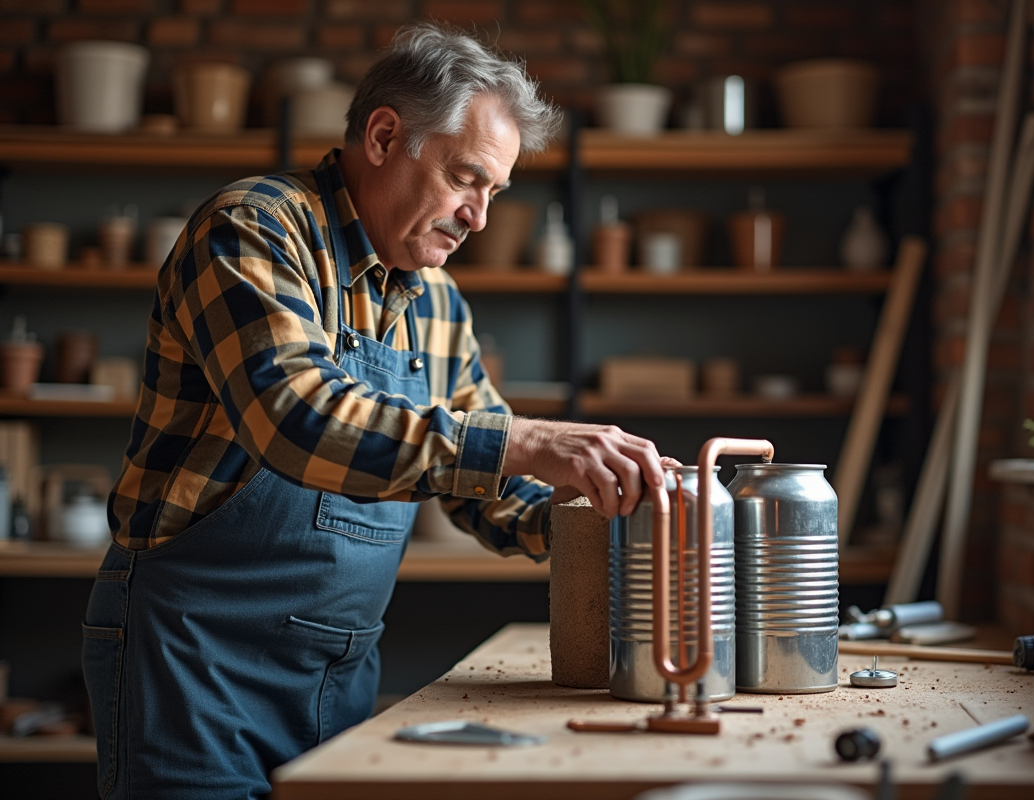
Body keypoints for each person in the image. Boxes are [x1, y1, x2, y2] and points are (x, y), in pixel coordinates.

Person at [81, 24, 667, 800]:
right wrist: (528, 440)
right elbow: (296, 417)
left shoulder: (438, 304)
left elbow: (487, 489)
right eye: (466, 179)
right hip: (193, 664)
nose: (479, 218)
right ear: (387, 136)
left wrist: (626, 512)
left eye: (494, 192)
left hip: (335, 678)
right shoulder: (255, 230)